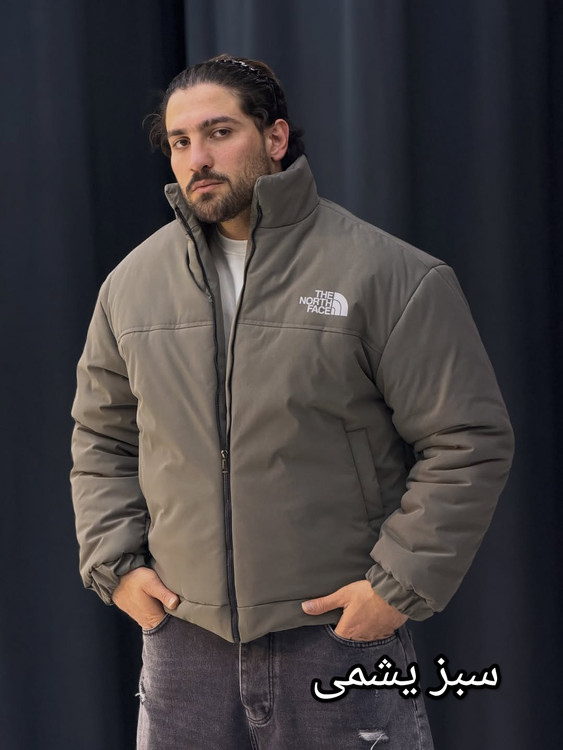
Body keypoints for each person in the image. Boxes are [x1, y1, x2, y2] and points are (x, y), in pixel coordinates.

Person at [70, 54, 514, 749]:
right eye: (180, 142)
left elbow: (467, 440)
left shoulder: (388, 275)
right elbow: (102, 437)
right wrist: (116, 564)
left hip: (336, 640)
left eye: (219, 132)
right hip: (185, 644)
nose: (197, 158)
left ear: (274, 137)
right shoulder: (132, 286)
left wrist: (394, 587)